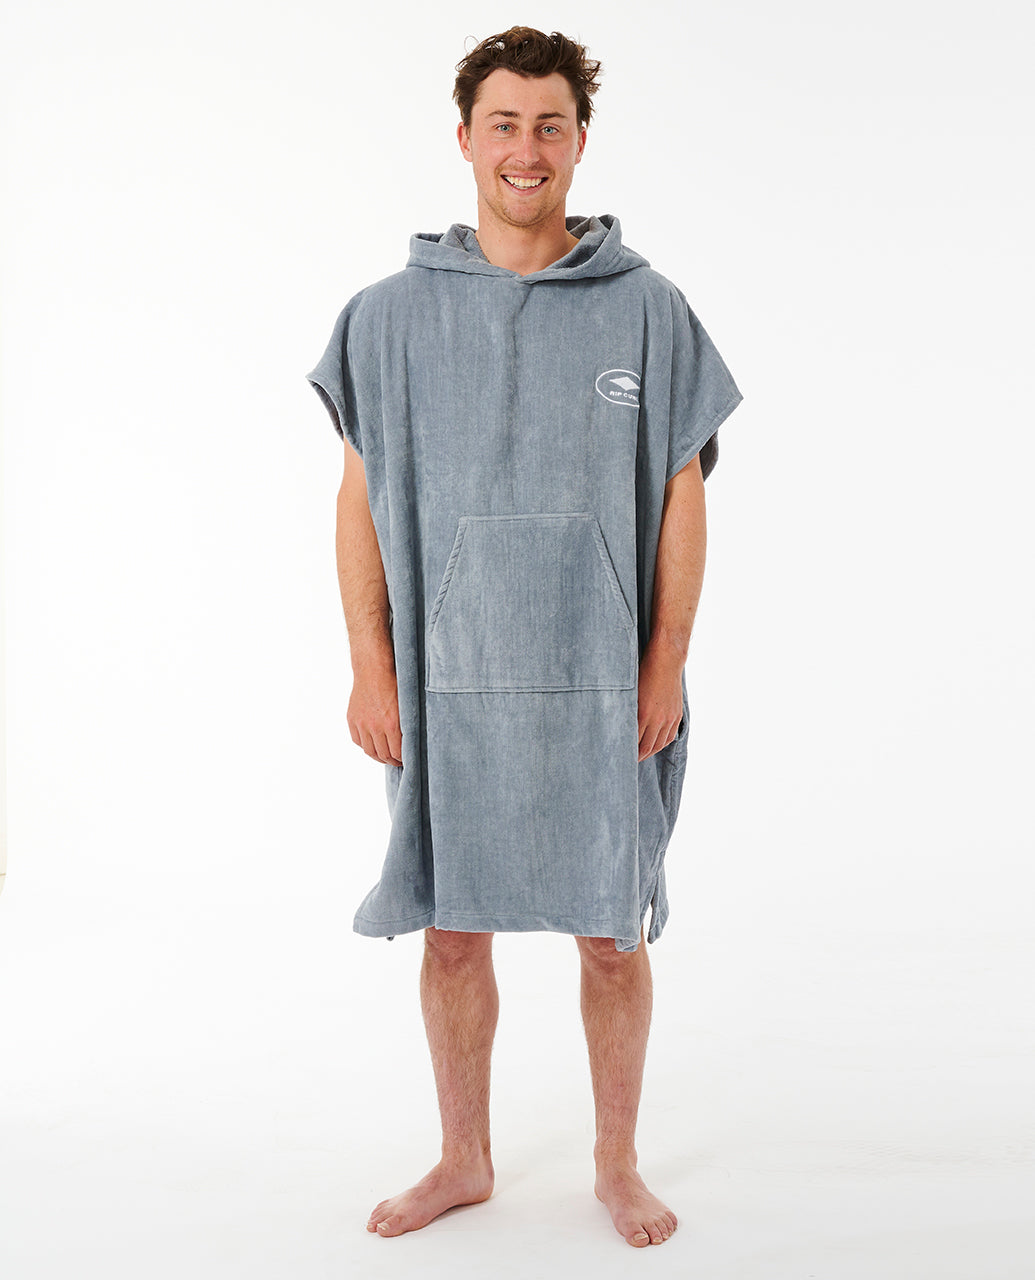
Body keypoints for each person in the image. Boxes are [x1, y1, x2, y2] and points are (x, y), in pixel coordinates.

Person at [305, 26, 743, 1248]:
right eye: (503, 123)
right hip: (450, 687)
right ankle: (464, 1156)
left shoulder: (648, 310)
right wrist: (370, 665)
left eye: (550, 124)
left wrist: (666, 661)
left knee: (611, 933)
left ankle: (616, 1163)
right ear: (465, 139)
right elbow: (358, 499)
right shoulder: (386, 320)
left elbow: (683, 493)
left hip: (602, 683)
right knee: (453, 930)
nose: (526, 148)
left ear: (580, 142)